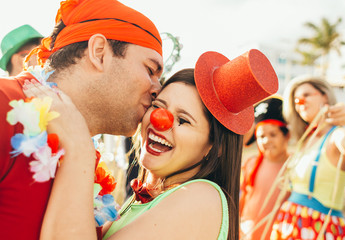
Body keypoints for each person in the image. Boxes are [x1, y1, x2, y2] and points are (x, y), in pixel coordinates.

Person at [23, 49, 279, 239]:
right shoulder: (153, 193)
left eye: (183, 120)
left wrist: (79, 147)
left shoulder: (201, 197)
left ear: (215, 147)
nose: (160, 121)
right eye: (158, 106)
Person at [0, 0, 163, 239]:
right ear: (99, 53)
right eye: (150, 70)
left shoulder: (87, 166)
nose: (158, 89)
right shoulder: (5, 104)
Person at [270, 75, 345, 240]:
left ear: (324, 95)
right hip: (290, 222)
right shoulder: (305, 141)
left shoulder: (335, 135)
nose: (300, 102)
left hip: (318, 226)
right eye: (296, 100)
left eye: (306, 95)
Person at [240, 96, 290, 240]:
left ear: (287, 135)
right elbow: (243, 197)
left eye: (273, 135)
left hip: (280, 231)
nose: (266, 141)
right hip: (249, 230)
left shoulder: (294, 166)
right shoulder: (250, 163)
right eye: (261, 136)